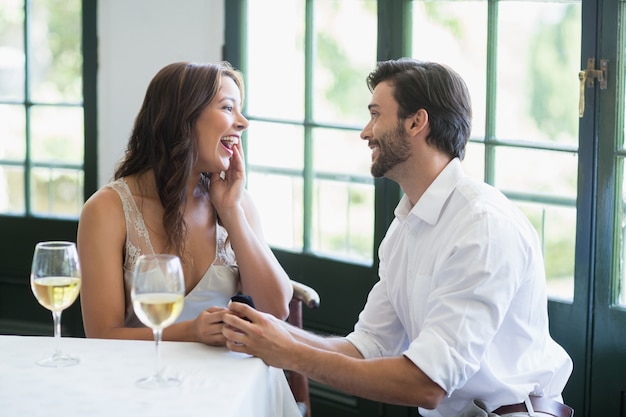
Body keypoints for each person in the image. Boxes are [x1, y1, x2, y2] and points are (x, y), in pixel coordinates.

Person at [222, 58, 573, 417]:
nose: (365, 132)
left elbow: (426, 383)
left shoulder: (482, 227)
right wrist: (271, 334)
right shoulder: (404, 226)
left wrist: (291, 353)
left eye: (376, 114)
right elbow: (370, 346)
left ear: (416, 122)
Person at [77, 61, 293, 346]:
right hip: (140, 380)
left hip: (229, 378)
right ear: (183, 117)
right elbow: (102, 335)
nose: (243, 122)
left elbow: (275, 310)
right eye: (228, 108)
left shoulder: (236, 203)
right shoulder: (107, 210)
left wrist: (231, 212)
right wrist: (191, 333)